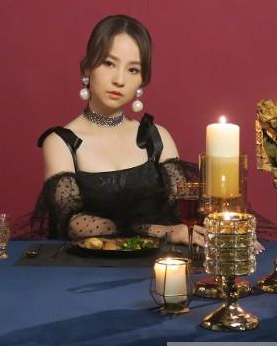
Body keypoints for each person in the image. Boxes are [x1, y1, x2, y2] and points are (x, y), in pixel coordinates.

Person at [33, 14, 207, 246]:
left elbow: (184, 216)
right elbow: (74, 224)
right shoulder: (61, 142)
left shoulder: (156, 138)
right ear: (88, 68)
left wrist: (223, 230)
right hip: (88, 266)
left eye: (133, 70)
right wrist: (162, 231)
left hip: (158, 265)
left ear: (142, 80)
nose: (119, 80)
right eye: (109, 63)